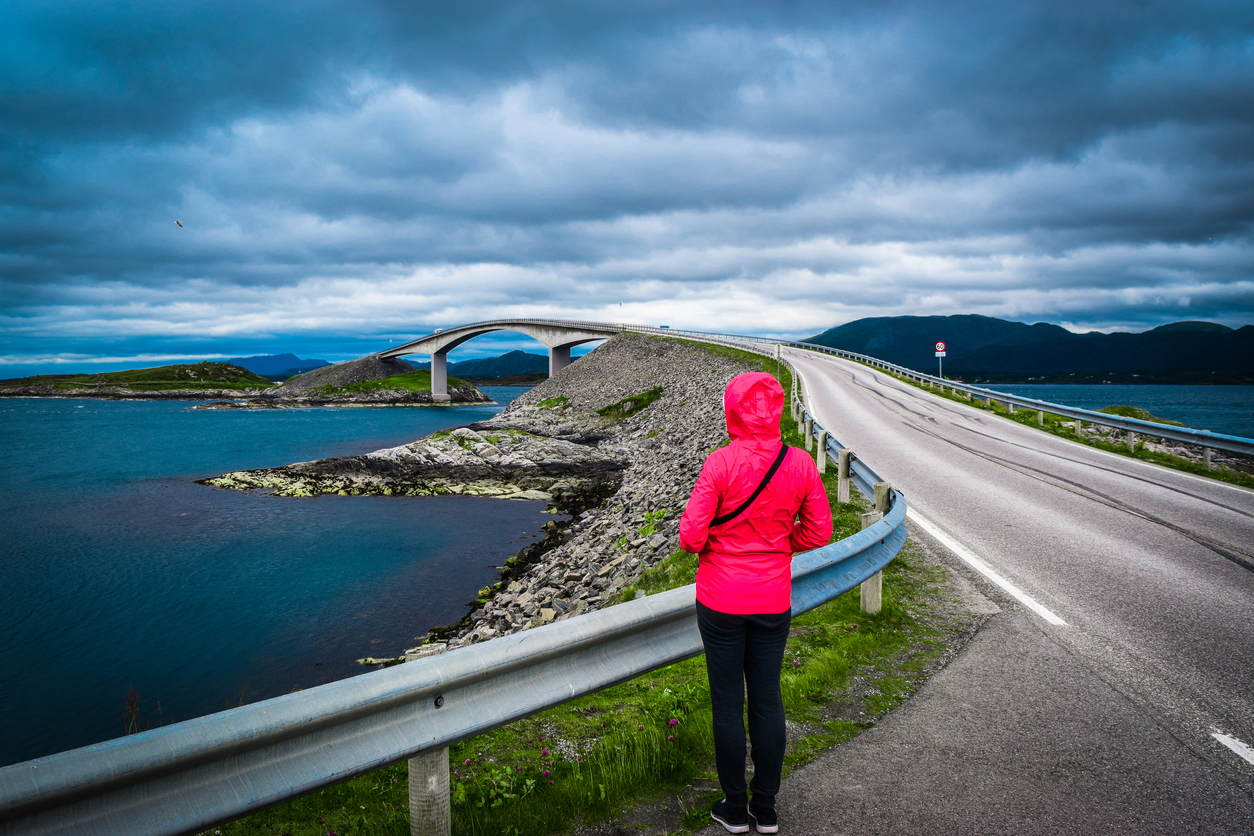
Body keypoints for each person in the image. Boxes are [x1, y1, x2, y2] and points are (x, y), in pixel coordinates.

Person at [679, 372, 832, 835]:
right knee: (767, 699)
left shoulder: (720, 463)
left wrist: (720, 547)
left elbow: (690, 537)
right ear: (778, 408)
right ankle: (765, 809)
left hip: (721, 599)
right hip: (772, 598)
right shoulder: (800, 463)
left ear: (732, 409)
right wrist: (780, 547)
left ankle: (734, 808)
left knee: (727, 703)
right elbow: (819, 531)